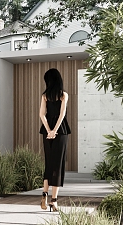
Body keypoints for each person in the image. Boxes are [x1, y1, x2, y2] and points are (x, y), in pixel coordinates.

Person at [39, 68, 71, 212]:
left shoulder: (45, 96)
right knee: (58, 165)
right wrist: (55, 131)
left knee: (49, 163)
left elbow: (42, 115)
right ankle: (54, 201)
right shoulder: (63, 95)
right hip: (61, 130)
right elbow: (62, 114)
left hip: (47, 131)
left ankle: (44, 196)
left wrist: (48, 130)